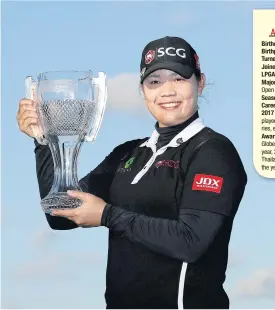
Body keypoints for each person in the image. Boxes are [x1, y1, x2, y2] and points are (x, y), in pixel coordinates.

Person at [17, 36, 248, 309]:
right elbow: (60, 215)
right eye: (155, 82)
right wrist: (44, 142)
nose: (167, 91)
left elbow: (193, 241)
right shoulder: (127, 153)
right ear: (142, 90)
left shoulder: (212, 151)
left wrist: (107, 215)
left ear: (200, 82)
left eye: (179, 79)